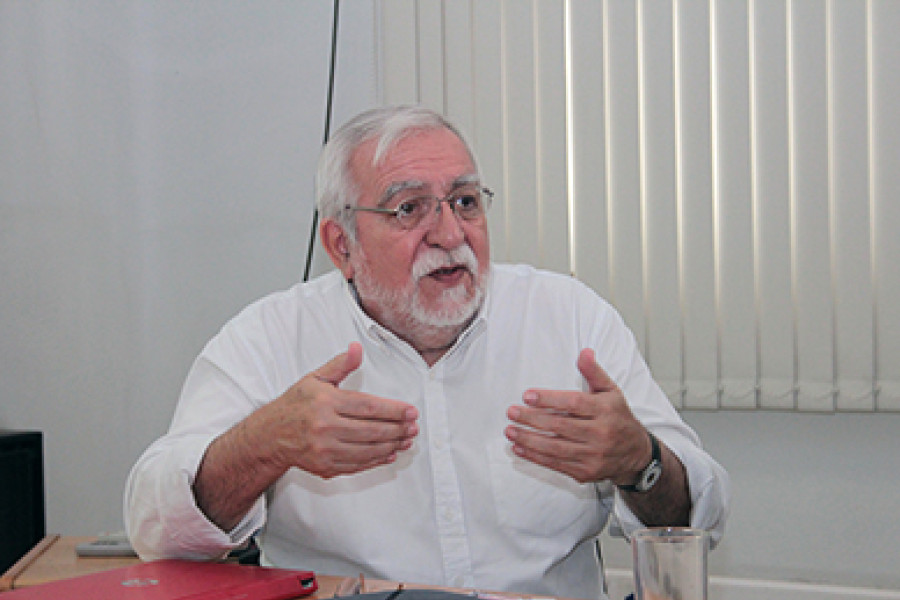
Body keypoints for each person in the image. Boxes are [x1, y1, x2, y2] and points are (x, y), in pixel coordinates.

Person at [124, 105, 729, 600]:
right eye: (409, 208)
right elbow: (156, 529)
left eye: (465, 201)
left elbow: (700, 519)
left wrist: (640, 462)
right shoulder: (271, 338)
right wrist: (264, 444)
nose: (450, 234)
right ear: (341, 245)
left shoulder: (569, 319)